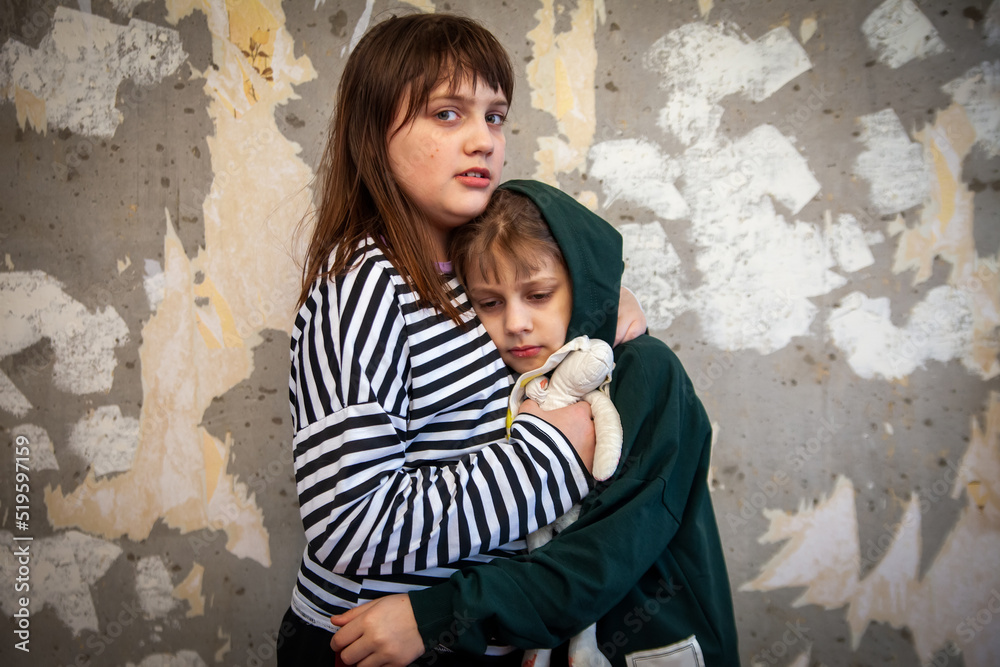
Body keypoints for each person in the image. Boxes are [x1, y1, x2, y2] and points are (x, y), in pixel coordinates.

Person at [278, 13, 646, 666]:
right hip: (378, 644)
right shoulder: (365, 288)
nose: (482, 139)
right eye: (447, 115)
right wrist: (551, 455)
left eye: (495, 117)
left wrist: (595, 297)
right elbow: (348, 530)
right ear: (374, 134)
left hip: (470, 628)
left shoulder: (480, 275)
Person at [330, 181, 741, 666]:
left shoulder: (647, 373)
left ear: (583, 284)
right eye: (490, 302)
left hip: (654, 647)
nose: (516, 323)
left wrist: (438, 614)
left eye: (539, 295)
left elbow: (602, 556)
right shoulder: (517, 379)